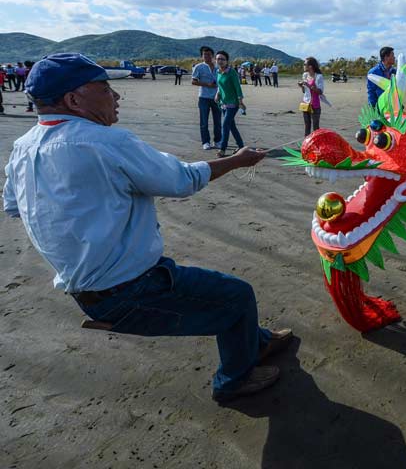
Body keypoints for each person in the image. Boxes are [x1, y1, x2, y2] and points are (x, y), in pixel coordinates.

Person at [3, 53, 291, 401]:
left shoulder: (21, 147)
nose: (117, 97)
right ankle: (234, 380)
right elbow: (182, 180)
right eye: (106, 89)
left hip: (89, 287)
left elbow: (14, 207)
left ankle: (255, 341)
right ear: (74, 99)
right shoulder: (105, 142)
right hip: (129, 289)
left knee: (222, 295)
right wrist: (237, 160)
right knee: (237, 295)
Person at [214, 51, 246, 158]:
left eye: (222, 59)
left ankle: (222, 149)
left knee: (225, 125)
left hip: (233, 104)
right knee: (231, 126)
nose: (220, 61)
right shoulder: (218, 72)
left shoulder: (232, 72)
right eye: (218, 59)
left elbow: (238, 87)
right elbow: (220, 85)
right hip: (223, 103)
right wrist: (217, 94)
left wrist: (240, 102)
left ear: (227, 60)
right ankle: (241, 146)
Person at [191, 46, 222, 151]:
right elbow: (194, 81)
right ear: (202, 56)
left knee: (217, 121)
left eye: (209, 54)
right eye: (205, 54)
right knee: (204, 121)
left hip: (217, 98)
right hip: (203, 97)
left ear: (212, 55)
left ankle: (217, 141)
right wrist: (208, 84)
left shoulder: (218, 67)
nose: (207, 56)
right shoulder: (198, 67)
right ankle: (205, 142)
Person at [299, 57, 325, 137]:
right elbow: (304, 92)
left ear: (310, 66)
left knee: (316, 128)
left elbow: (320, 91)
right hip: (305, 103)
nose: (303, 66)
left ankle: (317, 146)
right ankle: (306, 145)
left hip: (315, 105)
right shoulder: (305, 75)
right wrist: (302, 86)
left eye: (304, 64)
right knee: (307, 126)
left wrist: (309, 85)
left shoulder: (319, 77)